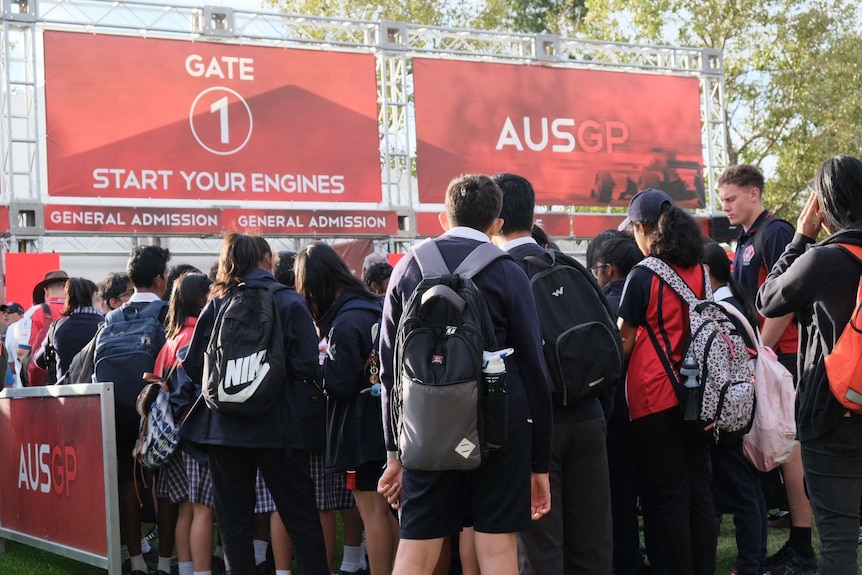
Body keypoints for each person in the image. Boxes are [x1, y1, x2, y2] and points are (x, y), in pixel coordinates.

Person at [378, 174, 552, 575]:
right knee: (496, 549)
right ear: (496, 224)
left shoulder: (408, 268)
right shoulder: (509, 272)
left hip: (425, 424)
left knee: (417, 547)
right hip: (501, 425)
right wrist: (538, 464)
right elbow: (533, 369)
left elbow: (389, 369)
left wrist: (394, 451)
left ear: (443, 218)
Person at [178, 233, 328, 575]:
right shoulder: (289, 300)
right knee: (301, 519)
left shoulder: (218, 302)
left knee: (234, 527)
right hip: (279, 430)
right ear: (268, 259)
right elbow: (306, 365)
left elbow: (192, 365)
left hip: (223, 430)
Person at [491, 172, 611, 575]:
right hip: (590, 414)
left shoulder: (497, 274)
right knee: (591, 542)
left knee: (541, 548)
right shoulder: (567, 264)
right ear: (532, 212)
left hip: (535, 428)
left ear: (495, 220)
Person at [757, 155, 862, 574]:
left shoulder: (822, 260)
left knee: (837, 542)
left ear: (826, 204)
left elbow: (767, 299)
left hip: (832, 415)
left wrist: (800, 237)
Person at [719, 164, 816, 574]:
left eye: (731, 199)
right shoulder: (745, 238)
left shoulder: (775, 232)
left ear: (754, 194)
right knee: (777, 448)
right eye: (723, 200)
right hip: (766, 356)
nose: (725, 207)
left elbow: (790, 296)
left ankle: (802, 547)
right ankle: (793, 538)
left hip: (784, 357)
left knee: (789, 449)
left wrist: (762, 351)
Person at [616, 188, 717, 575]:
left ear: (643, 229)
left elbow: (622, 340)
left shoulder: (643, 275)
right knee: (700, 489)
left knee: (669, 494)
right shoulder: (702, 271)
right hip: (699, 394)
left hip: (654, 396)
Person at [296, 242, 397, 575]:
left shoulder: (344, 322)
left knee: (374, 514)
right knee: (390, 511)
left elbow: (338, 383)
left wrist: (314, 369)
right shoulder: (374, 306)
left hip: (358, 431)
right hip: (387, 423)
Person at [593, 235, 668, 575]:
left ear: (607, 270)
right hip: (654, 407)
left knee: (620, 498)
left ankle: (625, 561)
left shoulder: (600, 304)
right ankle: (660, 558)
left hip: (613, 415)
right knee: (657, 493)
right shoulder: (654, 292)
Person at [703, 240, 769, 575]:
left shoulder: (720, 309)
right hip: (747, 407)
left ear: (705, 271)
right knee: (750, 490)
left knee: (743, 491)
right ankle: (755, 560)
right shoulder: (733, 299)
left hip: (734, 412)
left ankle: (749, 566)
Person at [151, 272, 212, 575]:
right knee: (203, 510)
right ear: (202, 299)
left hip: (170, 438)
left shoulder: (170, 342)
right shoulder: (198, 337)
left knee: (185, 510)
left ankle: (186, 569)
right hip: (197, 435)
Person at [33, 277, 102, 384]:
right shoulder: (105, 326)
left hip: (66, 393)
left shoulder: (58, 327)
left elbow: (39, 360)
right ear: (92, 298)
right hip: (98, 392)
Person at [17, 270, 69, 385]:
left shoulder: (36, 312)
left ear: (46, 291)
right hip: (78, 382)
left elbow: (23, 352)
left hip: (46, 385)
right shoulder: (80, 311)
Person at [2, 302, 26, 387]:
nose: (6, 315)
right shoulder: (5, 332)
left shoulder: (13, 329)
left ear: (21, 315)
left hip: (18, 383)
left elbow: (10, 365)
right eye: (4, 312)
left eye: (10, 312)